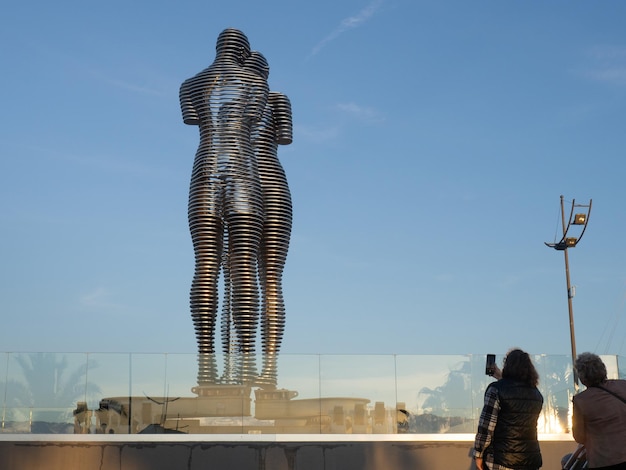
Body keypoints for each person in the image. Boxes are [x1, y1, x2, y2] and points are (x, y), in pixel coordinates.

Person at [179, 28, 269, 385]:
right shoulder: (255, 83)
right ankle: (246, 365)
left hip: (203, 173)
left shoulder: (189, 84)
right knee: (244, 264)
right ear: (243, 49)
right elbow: (252, 119)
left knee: (205, 266)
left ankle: (206, 369)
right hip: (244, 173)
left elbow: (191, 119)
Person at [473, 349, 543, 470]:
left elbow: (486, 427)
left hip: (502, 460)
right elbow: (516, 396)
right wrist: (501, 378)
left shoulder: (496, 390)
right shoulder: (536, 395)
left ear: (507, 365)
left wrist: (478, 454)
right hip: (530, 460)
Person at [572, 352, 626, 469]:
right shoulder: (623, 385)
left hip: (604, 460)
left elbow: (579, 436)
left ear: (582, 376)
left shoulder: (581, 400)